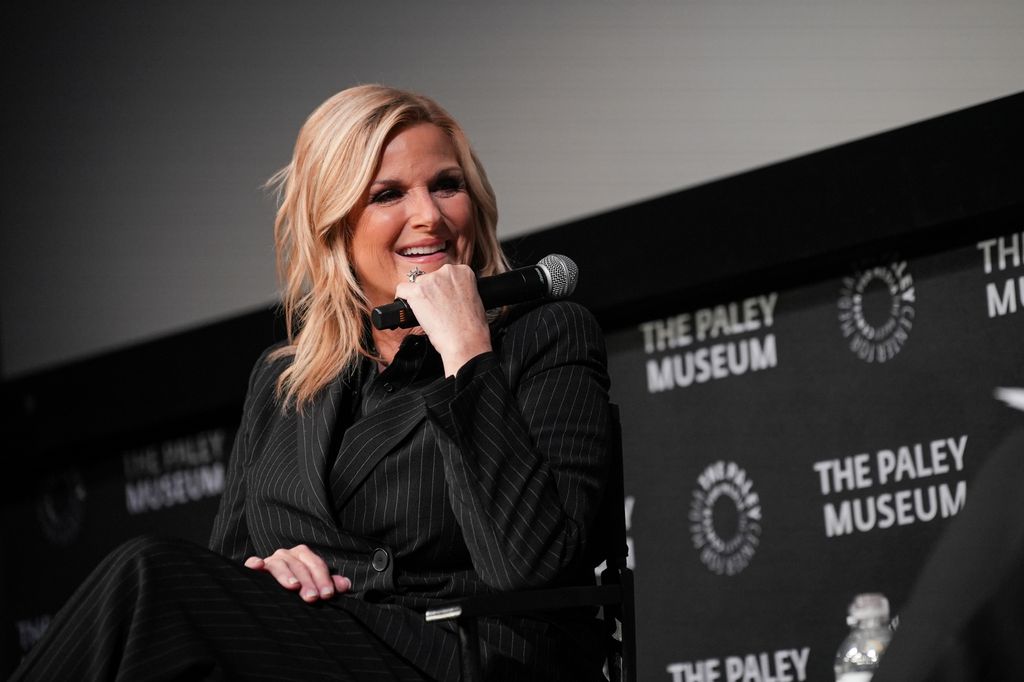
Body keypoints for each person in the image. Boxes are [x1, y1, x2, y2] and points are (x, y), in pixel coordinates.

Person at [10, 85, 612, 681]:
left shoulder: (545, 337)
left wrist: (466, 352)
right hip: (312, 647)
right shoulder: (283, 379)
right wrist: (270, 569)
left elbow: (531, 565)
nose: (429, 214)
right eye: (388, 194)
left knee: (150, 575)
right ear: (334, 227)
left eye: (446, 186)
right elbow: (224, 572)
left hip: (462, 659)